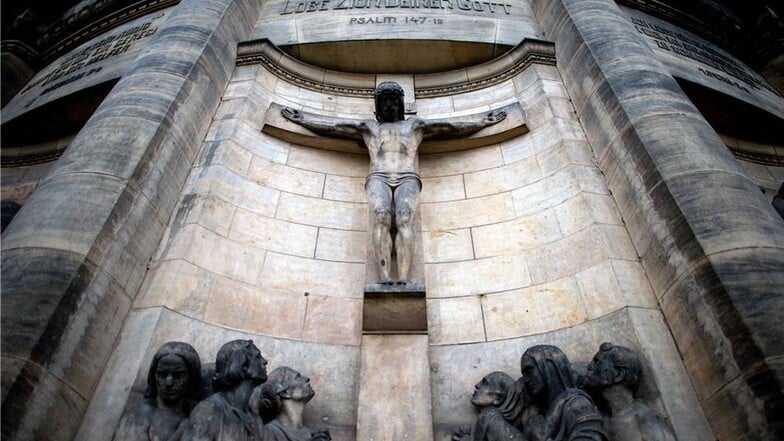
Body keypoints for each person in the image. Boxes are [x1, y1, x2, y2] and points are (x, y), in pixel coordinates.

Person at [281, 82, 506, 284]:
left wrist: (481, 121)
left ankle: (404, 278)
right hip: (378, 176)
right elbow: (335, 127)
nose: (389, 105)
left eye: (392, 101)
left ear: (400, 104)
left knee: (404, 217)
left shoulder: (414, 126)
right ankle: (385, 277)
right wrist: (303, 119)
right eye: (384, 102)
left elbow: (449, 127)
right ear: (378, 107)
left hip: (407, 176)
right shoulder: (370, 127)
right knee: (382, 216)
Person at [578, 343, 676, 441]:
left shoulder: (647, 423)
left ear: (618, 374)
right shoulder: (601, 422)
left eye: (597, 361)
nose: (589, 367)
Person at [180, 340, 268, 441]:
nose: (264, 361)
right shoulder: (209, 410)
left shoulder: (255, 420)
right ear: (242, 366)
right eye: (257, 357)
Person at [113, 342, 202, 441]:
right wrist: (179, 433)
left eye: (178, 375)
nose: (169, 383)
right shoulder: (138, 415)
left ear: (192, 377)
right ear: (153, 375)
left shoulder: (197, 415)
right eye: (162, 374)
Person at [518, 345, 607, 441]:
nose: (526, 380)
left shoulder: (578, 404)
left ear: (549, 367)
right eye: (524, 374)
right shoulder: (542, 412)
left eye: (529, 370)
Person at [257, 367, 331, 441]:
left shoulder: (313, 433)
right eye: (297, 377)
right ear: (285, 393)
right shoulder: (270, 433)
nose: (307, 379)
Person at [453, 371, 529, 441]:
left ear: (498, 398)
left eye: (485, 383)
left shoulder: (492, 420)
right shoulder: (489, 418)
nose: (477, 385)